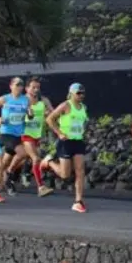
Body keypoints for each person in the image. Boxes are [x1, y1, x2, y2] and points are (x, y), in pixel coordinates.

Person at [41, 82, 89, 214]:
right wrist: (59, 133)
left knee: (80, 171)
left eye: (83, 93)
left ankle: (78, 201)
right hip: (65, 142)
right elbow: (50, 119)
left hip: (78, 141)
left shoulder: (83, 107)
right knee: (65, 175)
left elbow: (84, 121)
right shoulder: (66, 105)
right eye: (78, 93)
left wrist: (82, 131)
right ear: (72, 93)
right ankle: (49, 162)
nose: (81, 95)